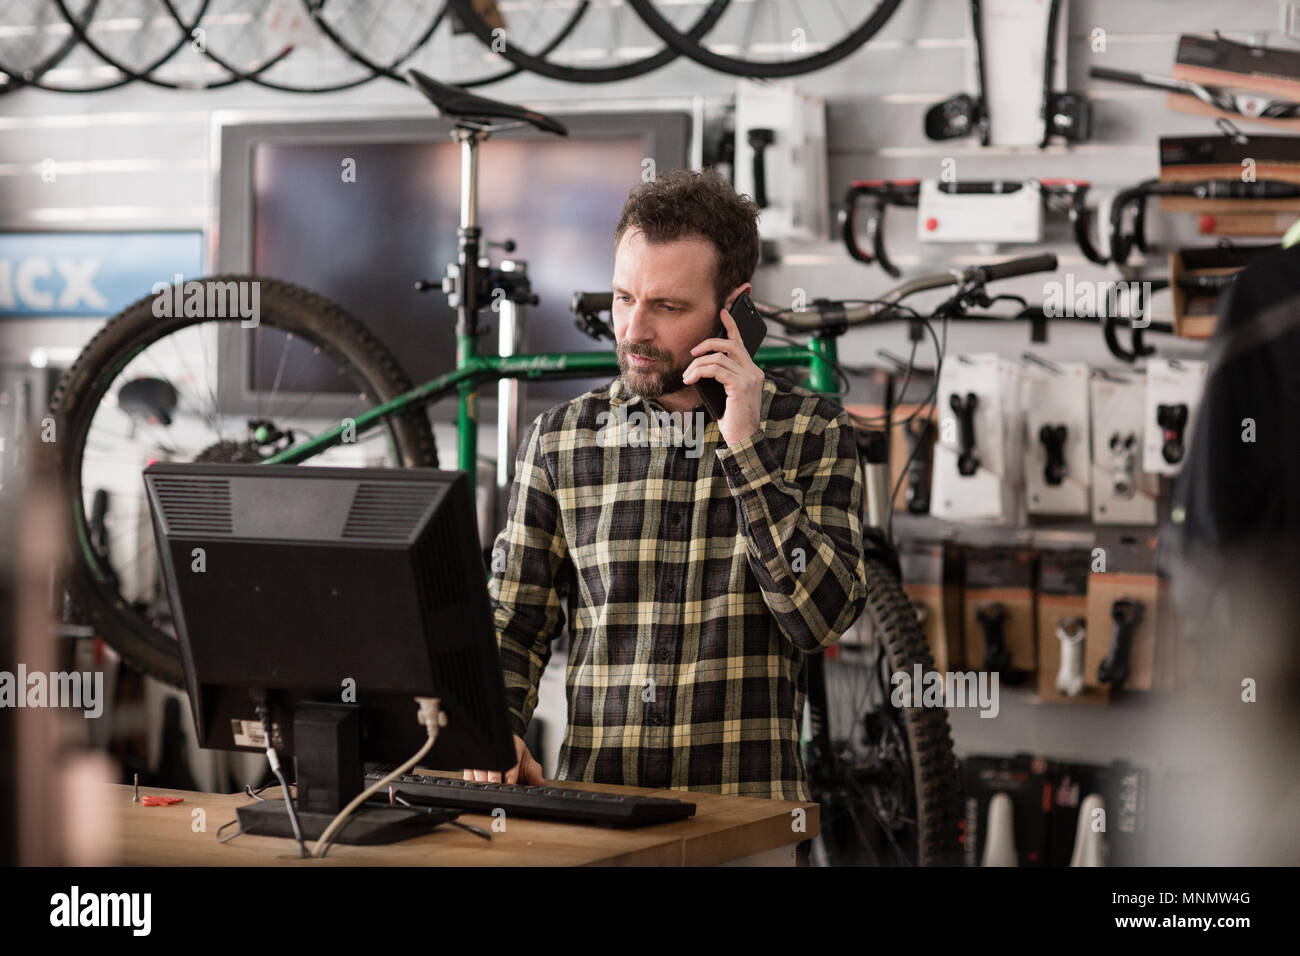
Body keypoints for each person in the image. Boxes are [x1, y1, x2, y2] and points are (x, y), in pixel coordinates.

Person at [468, 168, 869, 802]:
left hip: (747, 825)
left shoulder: (810, 431)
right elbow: (512, 623)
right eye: (624, 298)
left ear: (733, 308)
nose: (631, 331)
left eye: (668, 306)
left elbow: (820, 621)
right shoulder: (561, 440)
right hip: (600, 818)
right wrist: (498, 729)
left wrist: (745, 449)